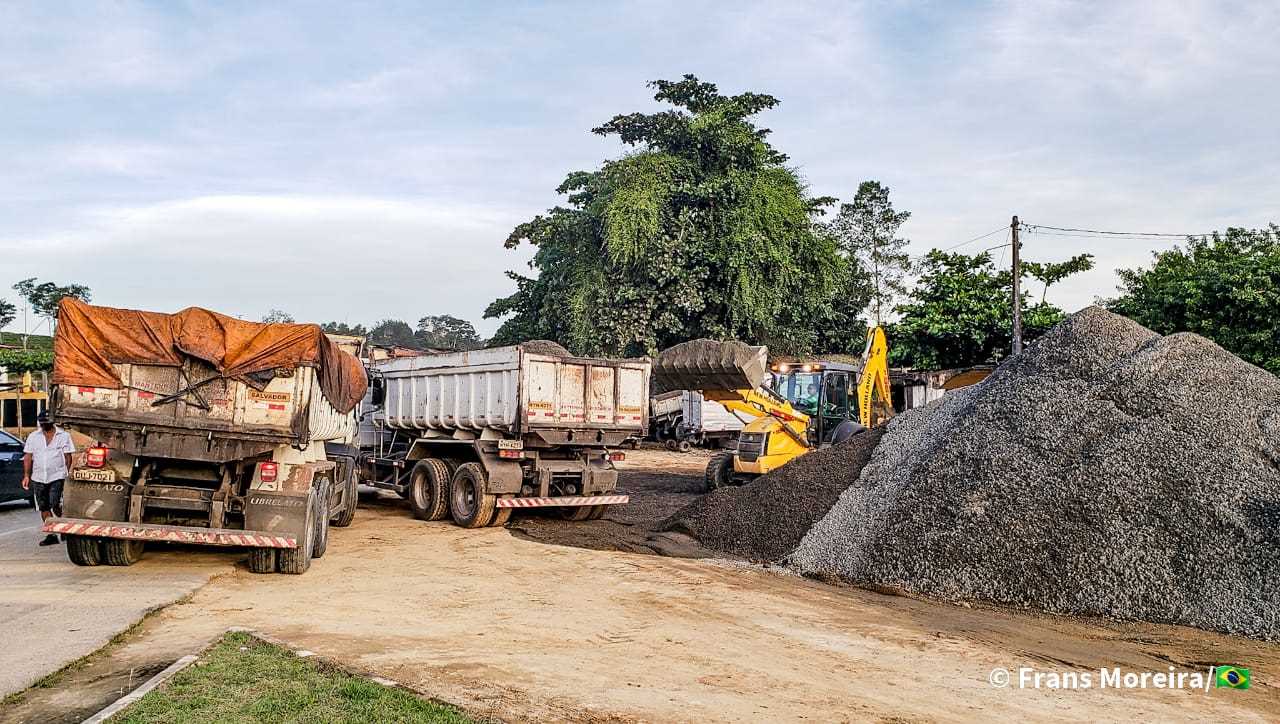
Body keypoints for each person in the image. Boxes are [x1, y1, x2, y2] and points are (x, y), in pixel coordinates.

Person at [22, 411, 75, 547]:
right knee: (43, 506)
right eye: (41, 423)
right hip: (39, 477)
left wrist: (66, 473)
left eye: (46, 422)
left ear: (52, 422)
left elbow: (68, 457)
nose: (43, 425)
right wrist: (27, 475)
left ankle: (65, 528)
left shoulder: (63, 436)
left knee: (55, 503)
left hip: (57, 476)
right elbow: (28, 456)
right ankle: (51, 534)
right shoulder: (33, 437)